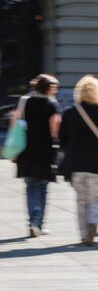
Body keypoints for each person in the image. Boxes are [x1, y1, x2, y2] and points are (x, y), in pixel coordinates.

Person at [58, 75, 98, 246]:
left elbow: (62, 138)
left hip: (75, 161)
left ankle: (84, 234)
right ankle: (93, 221)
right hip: (97, 162)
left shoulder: (70, 112)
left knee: (81, 200)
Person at [12, 74, 60, 237]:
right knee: (42, 187)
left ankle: (32, 222)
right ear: (48, 88)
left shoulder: (25, 101)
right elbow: (54, 130)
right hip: (45, 150)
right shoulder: (51, 104)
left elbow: (16, 122)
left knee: (30, 185)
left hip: (26, 148)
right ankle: (38, 223)